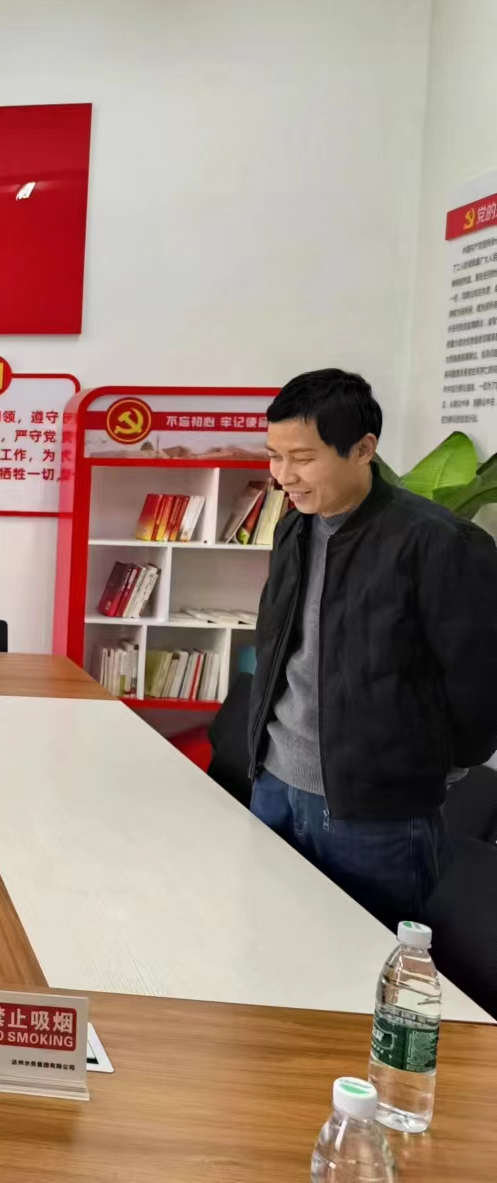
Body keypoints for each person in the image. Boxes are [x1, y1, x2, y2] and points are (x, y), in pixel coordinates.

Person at [248, 369, 497, 929]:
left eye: (302, 458)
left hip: (376, 815)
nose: (283, 475)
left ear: (363, 450)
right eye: (274, 456)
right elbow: (279, 645)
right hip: (275, 787)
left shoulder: (438, 543)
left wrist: (426, 769)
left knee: (369, 962)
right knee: (267, 941)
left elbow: (481, 681)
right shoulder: (294, 529)